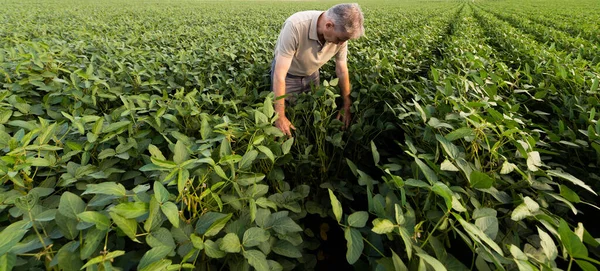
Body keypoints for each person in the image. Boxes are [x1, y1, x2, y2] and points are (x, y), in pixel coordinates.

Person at [270, 3, 364, 136]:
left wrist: (347, 103)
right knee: (288, 116)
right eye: (339, 39)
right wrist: (279, 116)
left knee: (310, 111)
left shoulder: (341, 34)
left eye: (344, 40)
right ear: (329, 25)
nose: (341, 44)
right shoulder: (296, 25)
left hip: (312, 73)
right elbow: (280, 74)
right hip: (288, 75)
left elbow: (342, 70)